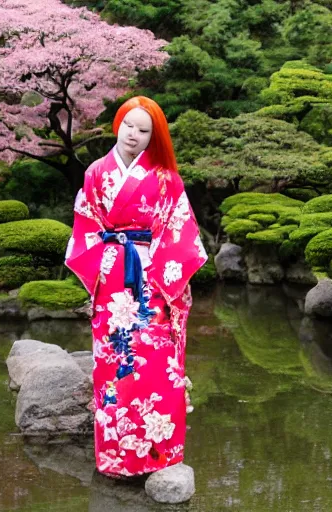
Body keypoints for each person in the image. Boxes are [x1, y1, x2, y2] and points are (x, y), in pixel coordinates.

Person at [65, 96, 207, 477]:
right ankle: (116, 458)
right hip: (110, 278)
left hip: (152, 280)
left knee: (157, 362)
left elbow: (180, 232)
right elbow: (85, 224)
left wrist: (161, 278)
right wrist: (103, 265)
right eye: (129, 125)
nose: (134, 134)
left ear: (153, 136)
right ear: (118, 125)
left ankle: (160, 455)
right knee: (113, 366)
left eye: (144, 130)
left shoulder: (166, 178)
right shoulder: (96, 171)